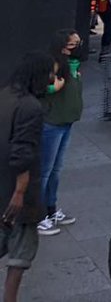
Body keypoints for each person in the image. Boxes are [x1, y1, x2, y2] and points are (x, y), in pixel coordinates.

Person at [0, 51, 56, 300]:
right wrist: (20, 192)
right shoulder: (30, 107)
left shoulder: (6, 95)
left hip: (3, 184)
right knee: (20, 254)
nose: (53, 79)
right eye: (50, 74)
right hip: (16, 192)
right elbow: (23, 151)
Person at [37, 31, 83, 236]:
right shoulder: (53, 64)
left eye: (77, 43)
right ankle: (37, 216)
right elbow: (42, 87)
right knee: (45, 171)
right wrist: (55, 85)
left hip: (66, 122)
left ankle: (50, 209)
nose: (75, 47)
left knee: (56, 170)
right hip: (52, 123)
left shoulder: (70, 64)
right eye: (72, 44)